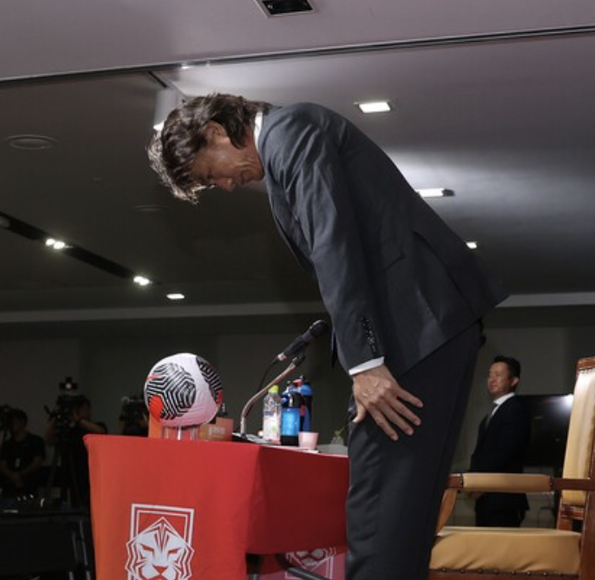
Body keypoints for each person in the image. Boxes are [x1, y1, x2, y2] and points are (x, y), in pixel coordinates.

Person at [148, 94, 508, 580]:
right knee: (404, 511)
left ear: (215, 131)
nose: (226, 186)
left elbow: (332, 243)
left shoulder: (291, 133)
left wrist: (365, 363)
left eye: (213, 175)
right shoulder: (289, 140)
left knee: (379, 506)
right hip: (429, 322)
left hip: (414, 325)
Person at [469, 355, 531, 527]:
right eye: (490, 375)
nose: (492, 379)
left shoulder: (515, 410)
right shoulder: (490, 415)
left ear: (514, 381)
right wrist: (471, 482)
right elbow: (481, 454)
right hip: (486, 499)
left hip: (504, 499)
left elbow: (505, 453)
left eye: (498, 374)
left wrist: (480, 485)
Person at [45, 395, 107, 507]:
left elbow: (101, 432)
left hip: (89, 472)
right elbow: (49, 440)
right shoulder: (69, 430)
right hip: (70, 472)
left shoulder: (95, 426)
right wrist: (54, 418)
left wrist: (78, 420)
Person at [0, 409, 46, 497]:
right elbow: (2, 465)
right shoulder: (7, 444)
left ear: (23, 422)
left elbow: (37, 463)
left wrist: (20, 475)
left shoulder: (36, 441)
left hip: (30, 483)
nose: (12, 425)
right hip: (9, 486)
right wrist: (13, 476)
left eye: (14, 421)